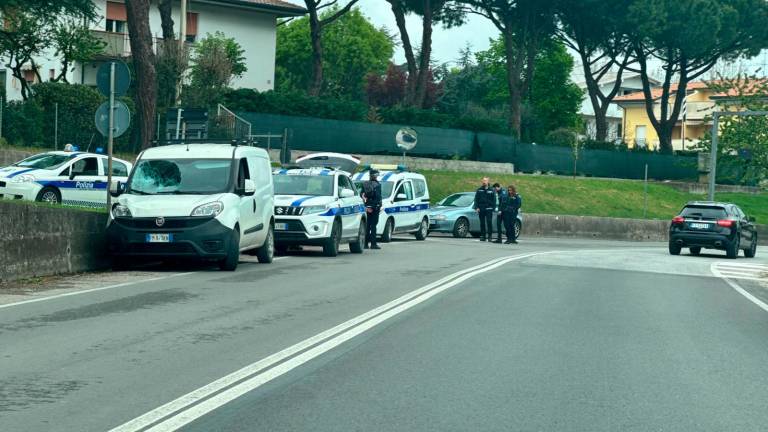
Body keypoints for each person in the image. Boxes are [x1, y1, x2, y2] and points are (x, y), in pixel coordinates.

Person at [362, 169, 383, 249]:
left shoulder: (365, 184)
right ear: (375, 175)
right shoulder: (377, 185)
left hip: (367, 207)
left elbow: (362, 195)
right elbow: (377, 197)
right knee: (373, 226)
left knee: (367, 226)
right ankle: (373, 244)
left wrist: (367, 207)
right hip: (374, 208)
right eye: (377, 175)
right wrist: (375, 206)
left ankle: (365, 244)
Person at [473, 177, 495, 241]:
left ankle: (490, 236)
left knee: (489, 222)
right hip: (481, 208)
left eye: (485, 180)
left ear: (488, 181)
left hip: (489, 209)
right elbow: (476, 199)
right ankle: (483, 236)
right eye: (483, 180)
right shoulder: (479, 190)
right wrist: (476, 207)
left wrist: (492, 208)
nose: (484, 182)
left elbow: (494, 200)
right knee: (482, 223)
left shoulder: (491, 190)